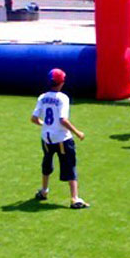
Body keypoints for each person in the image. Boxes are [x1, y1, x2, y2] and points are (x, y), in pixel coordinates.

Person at [31, 68, 89, 209]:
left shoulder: (42, 97)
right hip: (62, 138)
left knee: (47, 162)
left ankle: (44, 191)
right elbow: (63, 120)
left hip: (46, 138)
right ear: (62, 82)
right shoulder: (63, 98)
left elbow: (34, 118)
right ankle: (74, 198)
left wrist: (45, 125)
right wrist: (77, 132)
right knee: (70, 165)